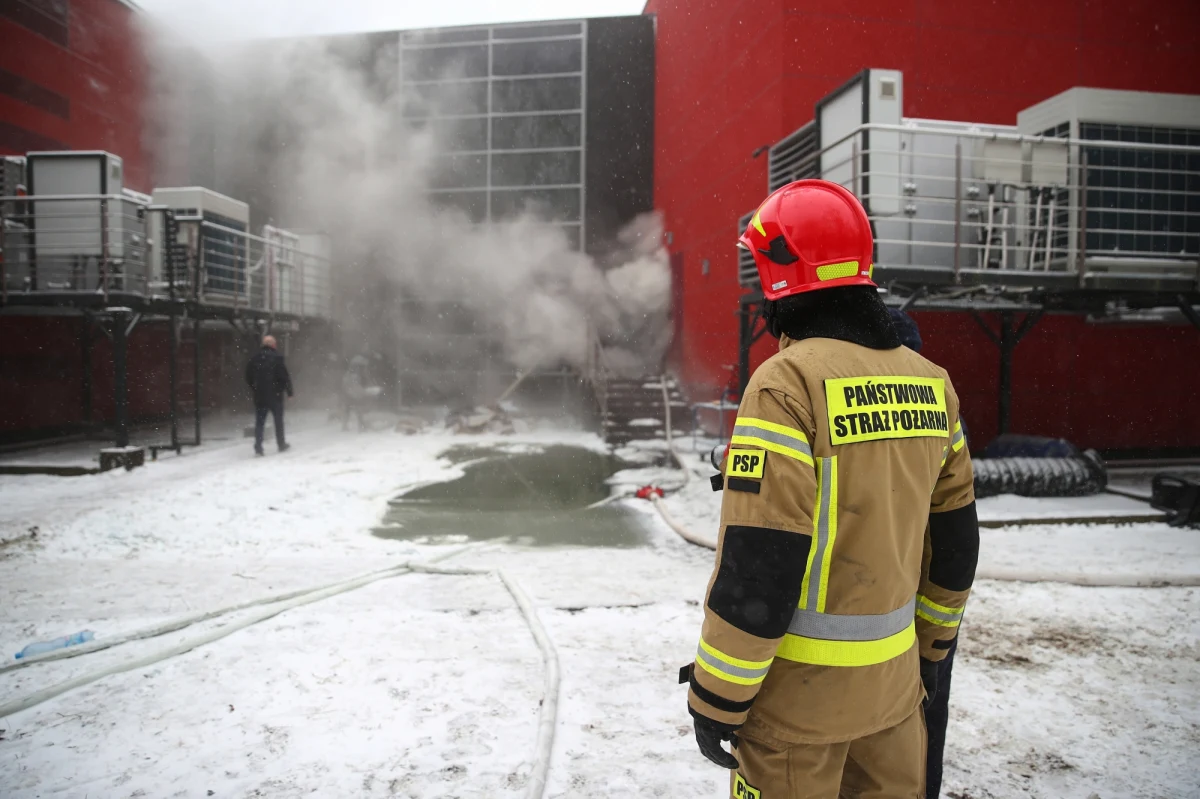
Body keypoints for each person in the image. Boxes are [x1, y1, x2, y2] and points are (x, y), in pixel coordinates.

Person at [682, 180, 979, 798]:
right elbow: (954, 544)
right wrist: (931, 653)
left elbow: (760, 565)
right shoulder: (932, 383)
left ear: (778, 274)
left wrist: (717, 695)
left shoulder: (785, 384)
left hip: (797, 715)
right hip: (896, 703)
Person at [889, 306, 965, 799]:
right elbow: (958, 534)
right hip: (930, 603)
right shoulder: (937, 404)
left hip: (882, 609)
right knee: (924, 722)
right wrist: (937, 641)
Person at [245, 334, 293, 455]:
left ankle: (258, 447)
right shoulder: (277, 358)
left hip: (260, 395)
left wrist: (254, 387)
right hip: (275, 395)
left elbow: (248, 375)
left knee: (260, 422)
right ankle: (281, 444)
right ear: (273, 345)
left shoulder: (255, 358)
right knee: (278, 421)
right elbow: (284, 376)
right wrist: (289, 391)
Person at [340, 355, 373, 432]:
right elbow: (352, 385)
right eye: (362, 367)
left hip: (351, 394)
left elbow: (346, 385)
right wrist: (363, 391)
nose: (364, 368)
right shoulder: (354, 375)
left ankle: (347, 426)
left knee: (350, 409)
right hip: (353, 395)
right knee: (357, 410)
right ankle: (359, 426)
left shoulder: (351, 374)